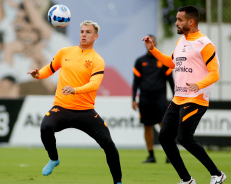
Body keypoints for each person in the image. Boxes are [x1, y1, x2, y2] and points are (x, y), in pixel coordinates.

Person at [27, 20, 122, 184]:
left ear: (96, 36)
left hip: (85, 111)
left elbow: (94, 85)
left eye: (88, 32)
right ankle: (54, 159)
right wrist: (38, 74)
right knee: (45, 126)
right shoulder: (65, 52)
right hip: (62, 108)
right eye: (82, 31)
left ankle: (118, 182)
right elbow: (49, 69)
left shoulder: (97, 60)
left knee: (108, 144)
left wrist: (75, 90)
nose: (84, 34)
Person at [142, 5, 226, 184]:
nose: (176, 23)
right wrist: (153, 50)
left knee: (185, 139)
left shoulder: (205, 44)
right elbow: (172, 63)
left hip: (196, 99)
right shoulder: (181, 41)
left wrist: (198, 85)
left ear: (191, 21)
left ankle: (217, 174)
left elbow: (215, 73)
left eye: (179, 20)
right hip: (178, 98)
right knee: (164, 137)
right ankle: (186, 180)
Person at [132, 34, 174, 163]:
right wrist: (133, 99)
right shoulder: (140, 61)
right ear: (146, 43)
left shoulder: (163, 60)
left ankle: (170, 155)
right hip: (145, 99)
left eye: (154, 41)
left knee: (164, 126)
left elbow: (170, 80)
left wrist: (176, 96)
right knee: (147, 126)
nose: (152, 43)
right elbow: (135, 82)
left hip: (160, 98)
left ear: (156, 43)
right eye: (150, 41)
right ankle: (151, 155)